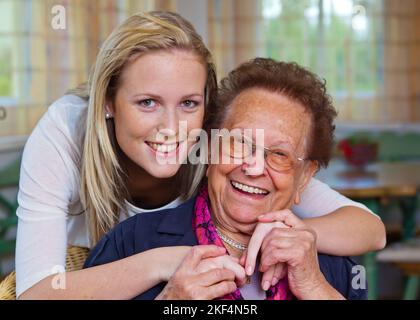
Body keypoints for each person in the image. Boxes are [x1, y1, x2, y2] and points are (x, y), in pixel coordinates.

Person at [16, 12, 384, 300]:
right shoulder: (67, 132)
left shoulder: (224, 141)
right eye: (147, 102)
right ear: (109, 102)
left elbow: (370, 229)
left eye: (189, 103)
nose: (172, 126)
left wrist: (283, 238)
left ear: (207, 110)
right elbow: (37, 293)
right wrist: (167, 263)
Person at [85, 58, 369, 300]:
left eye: (280, 154)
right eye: (239, 143)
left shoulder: (331, 266)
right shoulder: (132, 243)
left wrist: (315, 287)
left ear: (304, 178)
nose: (254, 168)